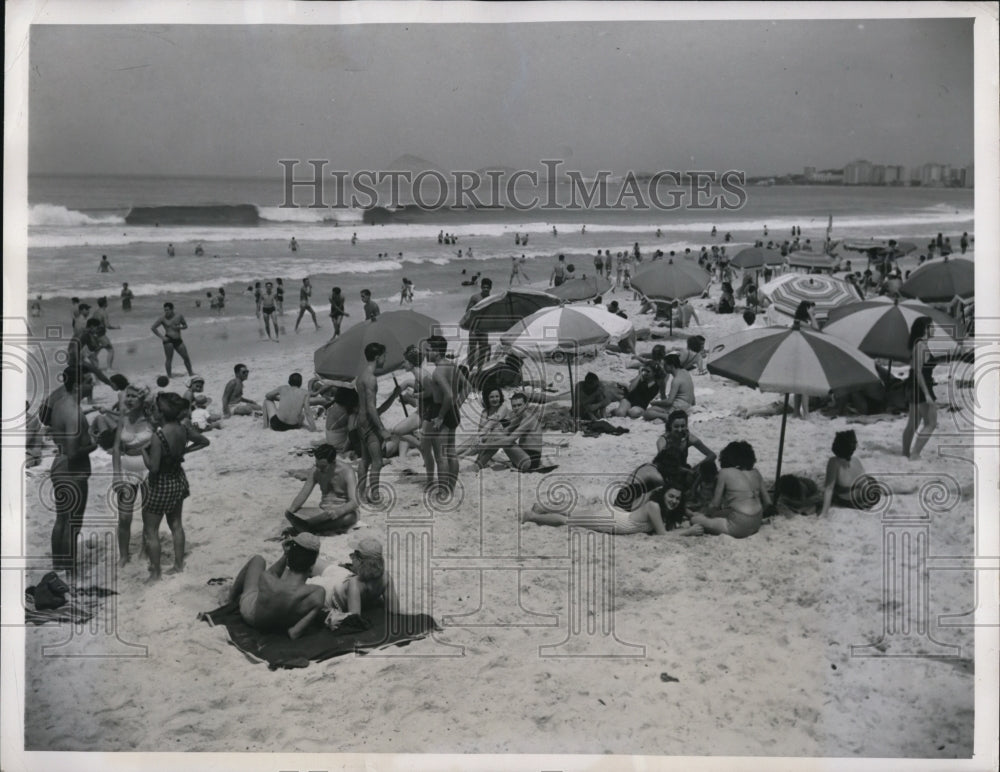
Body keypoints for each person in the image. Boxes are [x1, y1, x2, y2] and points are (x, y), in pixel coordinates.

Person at [142, 392, 209, 581]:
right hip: (177, 479)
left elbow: (153, 468)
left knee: (150, 530)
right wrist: (184, 451)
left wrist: (143, 452)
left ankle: (155, 573)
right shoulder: (183, 429)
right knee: (176, 525)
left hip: (160, 483)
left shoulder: (158, 436)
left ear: (161, 414)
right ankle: (178, 565)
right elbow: (204, 441)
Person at [43, 367, 97, 575]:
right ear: (77, 385)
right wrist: (95, 444)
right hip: (72, 469)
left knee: (62, 519)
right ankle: (71, 571)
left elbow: (51, 425)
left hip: (59, 463)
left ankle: (59, 565)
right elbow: (75, 453)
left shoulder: (60, 403)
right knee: (73, 523)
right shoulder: (74, 412)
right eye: (89, 381)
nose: (92, 385)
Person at [227, 533, 327, 639]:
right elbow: (294, 633)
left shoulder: (267, 579)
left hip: (253, 617)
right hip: (279, 626)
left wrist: (285, 554)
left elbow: (273, 573)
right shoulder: (318, 593)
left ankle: (229, 599)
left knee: (258, 560)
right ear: (312, 565)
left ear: (289, 558)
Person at [523, 479, 702, 536]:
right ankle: (531, 516)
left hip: (617, 516)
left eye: (678, 499)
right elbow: (663, 536)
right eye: (671, 496)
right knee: (568, 521)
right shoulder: (654, 506)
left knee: (575, 512)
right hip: (613, 521)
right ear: (663, 495)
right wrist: (690, 531)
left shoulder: (663, 508)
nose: (674, 501)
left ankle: (543, 507)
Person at [306, 537, 399, 629]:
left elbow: (354, 620)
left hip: (329, 590)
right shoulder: (386, 578)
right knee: (315, 562)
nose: (351, 558)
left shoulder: (355, 584)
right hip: (345, 576)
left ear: (359, 561)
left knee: (305, 564)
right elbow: (394, 610)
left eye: (354, 555)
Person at [691, 441, 772, 538]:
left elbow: (714, 505)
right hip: (757, 521)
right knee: (725, 513)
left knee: (695, 519)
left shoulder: (724, 473)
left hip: (738, 526)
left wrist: (705, 514)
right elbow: (768, 503)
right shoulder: (756, 473)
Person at [111, 382, 154, 566]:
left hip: (148, 469)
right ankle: (123, 555)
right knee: (124, 516)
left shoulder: (152, 419)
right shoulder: (123, 418)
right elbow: (115, 448)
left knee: (148, 514)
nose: (128, 400)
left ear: (142, 399)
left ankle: (145, 549)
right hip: (127, 468)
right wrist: (116, 474)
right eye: (127, 395)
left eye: (133, 396)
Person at [426, 335, 470, 493]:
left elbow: (449, 394)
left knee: (441, 456)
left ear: (437, 352)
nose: (425, 353)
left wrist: (441, 416)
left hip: (441, 411)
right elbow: (468, 386)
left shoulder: (438, 372)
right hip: (452, 411)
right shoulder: (452, 366)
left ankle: (443, 492)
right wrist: (456, 405)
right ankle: (450, 488)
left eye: (428, 350)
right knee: (451, 452)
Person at [284, 444, 359, 534]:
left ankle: (308, 526)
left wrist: (339, 511)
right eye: (317, 465)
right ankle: (310, 526)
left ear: (333, 462)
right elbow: (303, 494)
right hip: (322, 512)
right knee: (297, 512)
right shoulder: (316, 470)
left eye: (323, 466)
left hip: (342, 512)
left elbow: (354, 502)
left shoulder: (347, 471)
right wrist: (291, 510)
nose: (319, 469)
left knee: (350, 517)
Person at [475, 391, 545, 472]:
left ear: (526, 405)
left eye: (519, 405)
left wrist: (485, 445)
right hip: (522, 456)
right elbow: (504, 432)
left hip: (530, 462)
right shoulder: (520, 417)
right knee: (496, 433)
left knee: (500, 439)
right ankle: (479, 461)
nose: (517, 408)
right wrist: (484, 439)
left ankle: (479, 464)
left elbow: (509, 440)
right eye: (514, 406)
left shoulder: (528, 420)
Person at [820, 430, 885, 515]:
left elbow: (829, 489)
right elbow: (863, 482)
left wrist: (824, 513)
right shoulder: (856, 460)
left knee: (827, 484)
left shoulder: (833, 462)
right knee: (867, 480)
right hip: (867, 499)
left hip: (851, 500)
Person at [902, 317, 938, 460]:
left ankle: (905, 453)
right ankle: (915, 454)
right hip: (920, 387)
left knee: (913, 423)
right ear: (925, 329)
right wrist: (927, 394)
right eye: (932, 326)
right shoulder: (921, 345)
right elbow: (917, 371)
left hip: (914, 385)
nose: (934, 329)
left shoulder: (919, 345)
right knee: (931, 423)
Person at [356, 342, 388, 503]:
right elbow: (371, 407)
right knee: (377, 461)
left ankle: (360, 493)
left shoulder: (361, 376)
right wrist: (381, 428)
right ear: (377, 357)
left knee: (364, 460)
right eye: (384, 355)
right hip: (369, 422)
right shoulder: (371, 379)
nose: (385, 359)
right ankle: (374, 495)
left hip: (359, 421)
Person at [151, 302, 195, 379]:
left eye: (167, 310)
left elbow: (185, 326)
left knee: (186, 357)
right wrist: (162, 337)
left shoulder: (179, 316)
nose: (166, 312)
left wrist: (179, 328)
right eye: (165, 310)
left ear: (172, 309)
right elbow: (153, 328)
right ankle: (169, 376)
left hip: (178, 340)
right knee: (169, 359)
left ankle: (191, 373)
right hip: (168, 340)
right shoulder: (163, 318)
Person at [644, 354, 695, 420]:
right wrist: (693, 404)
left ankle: (665, 416)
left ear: (671, 366)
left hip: (679, 407)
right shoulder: (685, 372)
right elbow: (691, 391)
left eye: (665, 365)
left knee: (647, 412)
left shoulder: (676, 380)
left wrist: (655, 403)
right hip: (688, 405)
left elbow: (669, 402)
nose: (663, 367)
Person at [792, 301, 818, 419]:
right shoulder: (800, 322)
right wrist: (812, 315)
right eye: (813, 309)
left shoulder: (798, 321)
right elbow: (816, 329)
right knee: (804, 386)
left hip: (798, 354)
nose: (815, 312)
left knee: (798, 386)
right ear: (807, 309)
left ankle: (796, 412)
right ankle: (806, 413)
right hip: (802, 355)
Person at [464, 277, 493, 371]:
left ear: (490, 288)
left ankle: (480, 369)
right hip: (474, 326)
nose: (486, 289)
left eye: (487, 287)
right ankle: (470, 369)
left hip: (484, 328)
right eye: (484, 287)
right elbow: (468, 311)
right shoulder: (475, 297)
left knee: (483, 349)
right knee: (472, 349)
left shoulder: (492, 299)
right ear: (481, 287)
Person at [325, 386, 359, 455]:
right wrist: (344, 449)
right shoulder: (349, 411)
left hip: (331, 439)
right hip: (339, 444)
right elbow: (351, 431)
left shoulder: (335, 405)